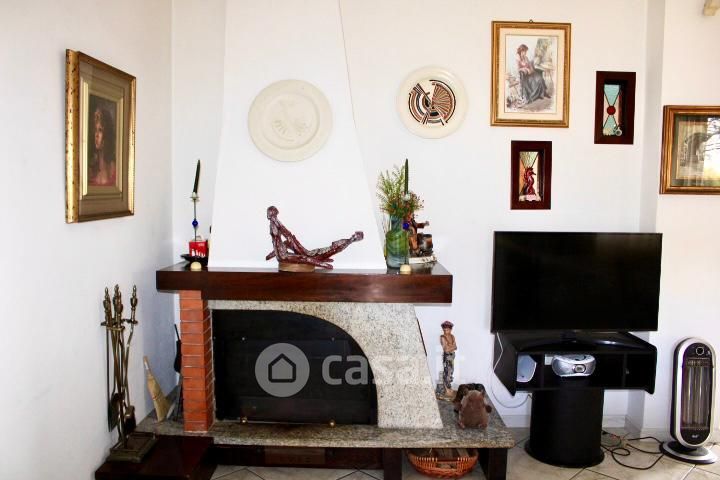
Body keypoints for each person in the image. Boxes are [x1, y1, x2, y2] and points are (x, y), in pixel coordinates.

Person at [89, 106, 117, 186]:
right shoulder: (91, 170)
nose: (96, 135)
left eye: (100, 130)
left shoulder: (114, 170)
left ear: (107, 133)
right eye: (96, 130)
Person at [439, 320, 457, 399]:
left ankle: (449, 388)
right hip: (447, 357)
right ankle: (446, 389)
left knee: (451, 371)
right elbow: (446, 350)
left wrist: (450, 347)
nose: (445, 331)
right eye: (444, 330)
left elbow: (456, 347)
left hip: (452, 356)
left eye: (447, 330)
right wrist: (451, 347)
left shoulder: (452, 336)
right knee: (447, 372)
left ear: (450, 329)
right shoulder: (442, 337)